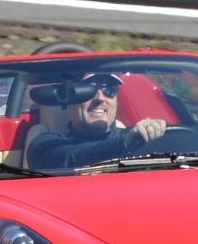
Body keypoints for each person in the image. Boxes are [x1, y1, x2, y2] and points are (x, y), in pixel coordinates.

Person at [22, 73, 168, 173]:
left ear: (116, 102)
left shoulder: (138, 137)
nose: (100, 98)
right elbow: (70, 159)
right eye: (89, 89)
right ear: (71, 102)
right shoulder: (46, 144)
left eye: (109, 90)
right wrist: (123, 144)